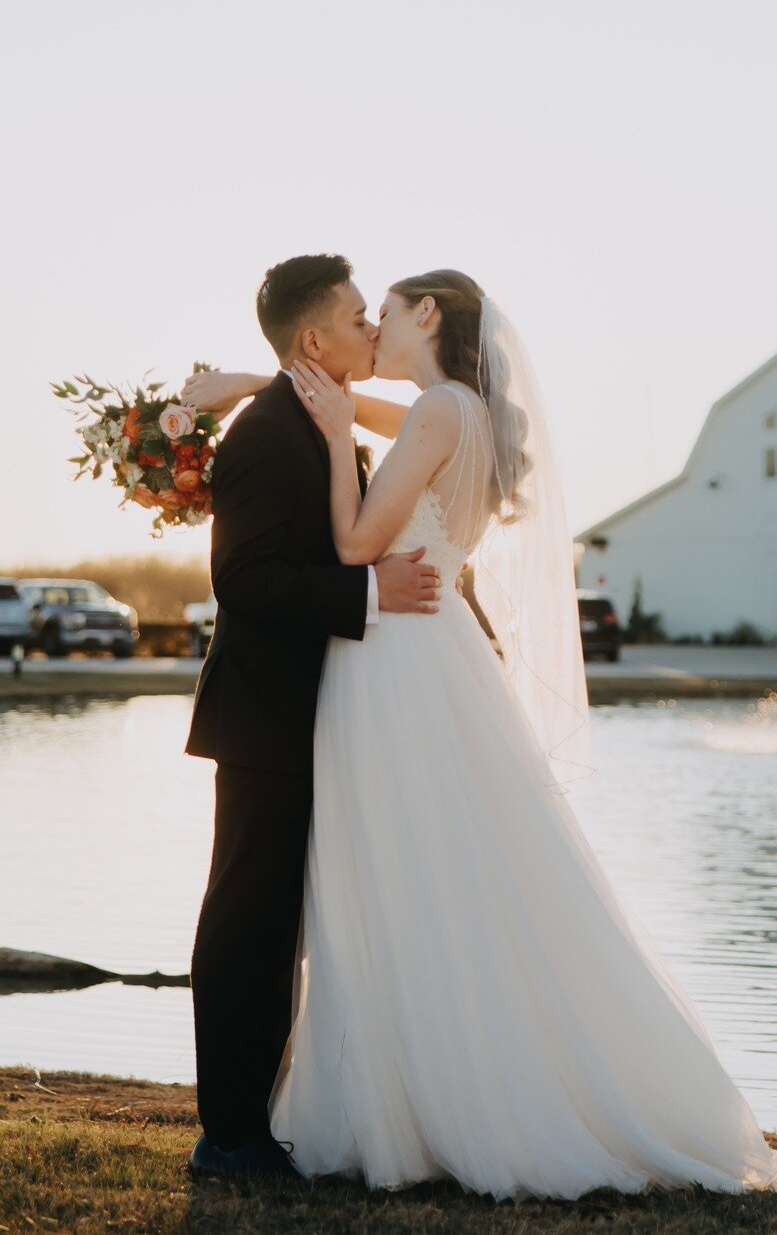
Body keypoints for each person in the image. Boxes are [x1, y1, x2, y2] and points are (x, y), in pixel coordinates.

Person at [185, 267, 777, 1199]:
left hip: (395, 663)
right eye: (355, 316)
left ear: (425, 315)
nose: (370, 327)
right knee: (413, 876)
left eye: (380, 311)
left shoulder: (430, 415)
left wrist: (338, 437)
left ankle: (408, 1100)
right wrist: (241, 388)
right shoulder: (456, 410)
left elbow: (351, 545)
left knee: (401, 878)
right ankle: (330, 1108)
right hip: (405, 663)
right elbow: (362, 444)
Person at [182, 254, 441, 1183]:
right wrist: (367, 591)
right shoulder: (263, 437)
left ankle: (261, 1119)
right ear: (313, 340)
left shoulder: (313, 418)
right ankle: (230, 1135)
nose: (373, 326)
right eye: (359, 314)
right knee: (248, 924)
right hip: (263, 719)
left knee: (281, 924)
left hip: (310, 717)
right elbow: (242, 582)